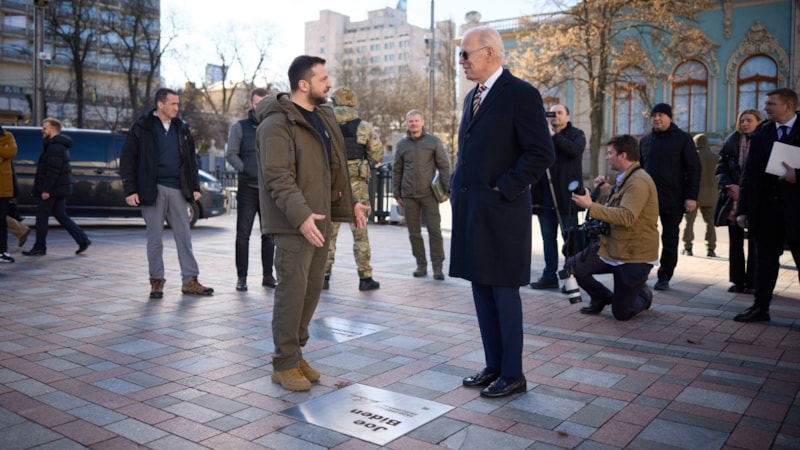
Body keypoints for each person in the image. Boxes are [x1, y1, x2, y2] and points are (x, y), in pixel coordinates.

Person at [450, 26, 554, 398]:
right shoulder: (472, 97)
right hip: (474, 211)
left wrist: (504, 187)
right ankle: (494, 365)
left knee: (504, 292)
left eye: (465, 54)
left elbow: (541, 153)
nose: (460, 61)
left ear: (490, 52)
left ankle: (513, 374)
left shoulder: (521, 94)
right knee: (481, 289)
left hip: (503, 212)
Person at [255, 55, 368, 391]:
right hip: (294, 222)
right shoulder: (276, 123)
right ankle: (283, 362)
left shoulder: (323, 117)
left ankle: (296, 351)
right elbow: (278, 176)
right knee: (291, 292)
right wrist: (301, 215)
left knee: (311, 290)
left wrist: (349, 207)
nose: (329, 83)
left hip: (320, 218)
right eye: (323, 78)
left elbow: (335, 169)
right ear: (303, 84)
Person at [119, 88, 213, 299]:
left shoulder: (182, 128)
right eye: (173, 104)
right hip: (152, 190)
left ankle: (190, 281)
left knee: (184, 236)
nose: (177, 108)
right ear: (160, 104)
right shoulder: (142, 127)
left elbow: (191, 160)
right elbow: (127, 159)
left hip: (178, 189)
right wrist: (130, 189)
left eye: (178, 104)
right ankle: (156, 282)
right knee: (155, 239)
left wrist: (194, 187)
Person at [569, 135, 659, 320]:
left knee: (622, 313)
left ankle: (643, 294)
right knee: (574, 266)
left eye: (610, 153)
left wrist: (590, 206)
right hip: (614, 246)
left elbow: (626, 217)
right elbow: (617, 208)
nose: (606, 157)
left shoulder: (638, 181)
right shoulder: (626, 177)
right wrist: (604, 192)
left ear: (623, 155)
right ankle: (601, 298)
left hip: (634, 255)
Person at [734, 88, 800, 323]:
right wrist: (742, 209)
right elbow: (749, 175)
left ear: (788, 106)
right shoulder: (763, 133)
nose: (766, 107)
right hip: (767, 212)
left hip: (797, 212)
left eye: (771, 103)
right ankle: (760, 308)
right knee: (765, 262)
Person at [323, 86, 383, 291]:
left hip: (332, 184)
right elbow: (377, 155)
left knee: (329, 233)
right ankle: (365, 278)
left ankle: (323, 276)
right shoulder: (364, 127)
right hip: (357, 186)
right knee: (360, 232)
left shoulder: (326, 124)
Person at [640, 103, 700, 291]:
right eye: (654, 115)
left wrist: (691, 197)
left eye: (661, 115)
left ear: (669, 117)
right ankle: (641, 273)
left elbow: (694, 169)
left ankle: (664, 276)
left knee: (670, 239)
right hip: (647, 200)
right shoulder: (645, 141)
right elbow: (639, 170)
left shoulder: (683, 139)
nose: (657, 118)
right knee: (644, 238)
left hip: (674, 199)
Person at [226, 87, 277, 292]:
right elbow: (230, 154)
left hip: (268, 191)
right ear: (251, 104)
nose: (260, 107)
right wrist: (245, 169)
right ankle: (242, 277)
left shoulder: (274, 127)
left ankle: (267, 276)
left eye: (264, 103)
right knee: (242, 236)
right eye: (257, 104)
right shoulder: (240, 127)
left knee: (269, 236)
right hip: (247, 189)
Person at [530, 104, 585, 289]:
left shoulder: (576, 134)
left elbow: (574, 151)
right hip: (544, 196)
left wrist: (554, 136)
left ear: (568, 116)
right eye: (552, 113)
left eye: (560, 113)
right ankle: (549, 275)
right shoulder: (541, 135)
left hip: (566, 198)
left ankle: (571, 277)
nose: (555, 116)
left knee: (570, 238)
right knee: (548, 238)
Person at [393, 109, 451, 280]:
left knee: (434, 231)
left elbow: (444, 167)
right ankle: (421, 265)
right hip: (408, 195)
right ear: (407, 124)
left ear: (422, 122)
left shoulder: (433, 142)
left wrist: (447, 190)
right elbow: (397, 170)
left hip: (429, 195)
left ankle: (438, 267)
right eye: (410, 121)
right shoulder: (402, 144)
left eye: (416, 121)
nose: (414, 124)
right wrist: (397, 193)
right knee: (414, 233)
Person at [22, 118, 91, 257]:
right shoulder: (55, 145)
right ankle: (82, 239)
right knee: (61, 215)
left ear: (53, 129)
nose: (42, 131)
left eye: (44, 128)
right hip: (58, 188)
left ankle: (39, 247)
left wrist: (46, 190)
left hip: (52, 189)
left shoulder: (55, 147)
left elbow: (53, 170)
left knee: (42, 217)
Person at [716, 109, 762, 294]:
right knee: (735, 242)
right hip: (733, 199)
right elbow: (720, 168)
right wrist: (730, 185)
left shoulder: (764, 140)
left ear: (759, 122)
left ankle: (753, 282)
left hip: (756, 198)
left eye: (749, 120)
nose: (745, 124)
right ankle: (737, 281)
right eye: (742, 121)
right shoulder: (731, 141)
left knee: (755, 243)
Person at [681, 134, 717, 257]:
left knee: (689, 222)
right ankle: (711, 248)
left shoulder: (692, 157)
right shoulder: (715, 157)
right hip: (711, 195)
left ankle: (688, 247)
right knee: (710, 222)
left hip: (694, 194)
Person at [0, 125, 18, 263]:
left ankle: (2, 251)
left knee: (1, 221)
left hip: (3, 188)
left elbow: (11, 152)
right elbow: (5, 154)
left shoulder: (8, 135)